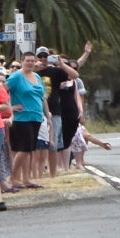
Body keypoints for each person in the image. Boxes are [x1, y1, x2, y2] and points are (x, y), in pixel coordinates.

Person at [6, 52, 48, 190]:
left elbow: (42, 97)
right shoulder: (17, 76)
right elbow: (2, 91)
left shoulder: (36, 76)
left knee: (30, 149)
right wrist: (10, 108)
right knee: (22, 149)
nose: (30, 63)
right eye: (27, 60)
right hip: (22, 118)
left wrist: (46, 114)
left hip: (36, 117)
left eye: (32, 61)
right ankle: (13, 177)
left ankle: (26, 179)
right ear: (22, 61)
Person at [35, 46, 78, 176]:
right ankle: (38, 173)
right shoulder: (32, 72)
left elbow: (74, 75)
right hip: (35, 111)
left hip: (54, 110)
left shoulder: (55, 71)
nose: (42, 59)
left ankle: (53, 174)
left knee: (52, 145)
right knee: (37, 146)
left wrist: (60, 64)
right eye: (40, 56)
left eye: (45, 56)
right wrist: (34, 68)